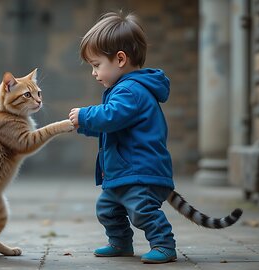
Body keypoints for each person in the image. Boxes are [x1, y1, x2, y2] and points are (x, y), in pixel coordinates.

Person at [68, 11, 177, 264]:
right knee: (106, 209)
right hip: (124, 173)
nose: (94, 73)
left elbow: (112, 116)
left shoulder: (130, 90)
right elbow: (114, 125)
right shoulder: (125, 89)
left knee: (142, 211)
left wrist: (85, 116)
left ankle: (164, 244)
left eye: (96, 65)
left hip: (141, 171)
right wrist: (85, 126)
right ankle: (120, 243)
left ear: (120, 59)